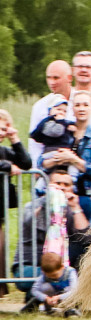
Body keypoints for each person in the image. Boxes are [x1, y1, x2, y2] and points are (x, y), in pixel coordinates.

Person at [11, 170, 90, 289]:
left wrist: (75, 206)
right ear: (48, 186)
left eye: (66, 185)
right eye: (58, 183)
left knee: (69, 272)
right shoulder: (33, 205)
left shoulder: (71, 210)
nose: (62, 187)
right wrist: (48, 199)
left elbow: (86, 238)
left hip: (60, 267)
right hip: (30, 266)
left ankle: (45, 294)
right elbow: (30, 222)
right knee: (60, 276)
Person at [37, 92, 91, 223]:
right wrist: (55, 160)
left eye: (85, 105)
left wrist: (73, 160)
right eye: (77, 105)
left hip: (85, 196)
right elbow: (41, 162)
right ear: (72, 109)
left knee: (83, 239)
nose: (81, 108)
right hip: (56, 194)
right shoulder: (61, 130)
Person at [28, 59, 91, 161]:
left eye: (56, 78)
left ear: (69, 78)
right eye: (49, 78)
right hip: (49, 161)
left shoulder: (88, 102)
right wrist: (37, 170)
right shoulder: (39, 106)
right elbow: (34, 143)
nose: (51, 82)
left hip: (82, 162)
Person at [0, 109, 32, 297]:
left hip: (0, 211)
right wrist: (7, 166)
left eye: (5, 128)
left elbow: (26, 163)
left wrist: (15, 140)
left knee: (1, 246)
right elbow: (10, 165)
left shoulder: (4, 151)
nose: (2, 132)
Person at [22, 251, 79, 316]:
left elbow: (74, 291)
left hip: (67, 297)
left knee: (70, 291)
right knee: (45, 287)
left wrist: (59, 297)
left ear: (62, 267)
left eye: (54, 275)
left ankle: (71, 310)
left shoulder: (70, 272)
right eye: (49, 276)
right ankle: (47, 310)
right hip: (51, 298)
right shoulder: (44, 275)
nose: (52, 277)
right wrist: (45, 298)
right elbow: (34, 290)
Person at [30, 98, 76, 163]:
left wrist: (73, 127)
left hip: (64, 151)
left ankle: (73, 173)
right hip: (51, 151)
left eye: (64, 111)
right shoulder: (48, 123)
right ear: (50, 110)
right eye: (58, 109)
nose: (61, 112)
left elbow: (72, 125)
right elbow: (57, 132)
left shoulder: (64, 122)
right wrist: (61, 121)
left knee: (73, 164)